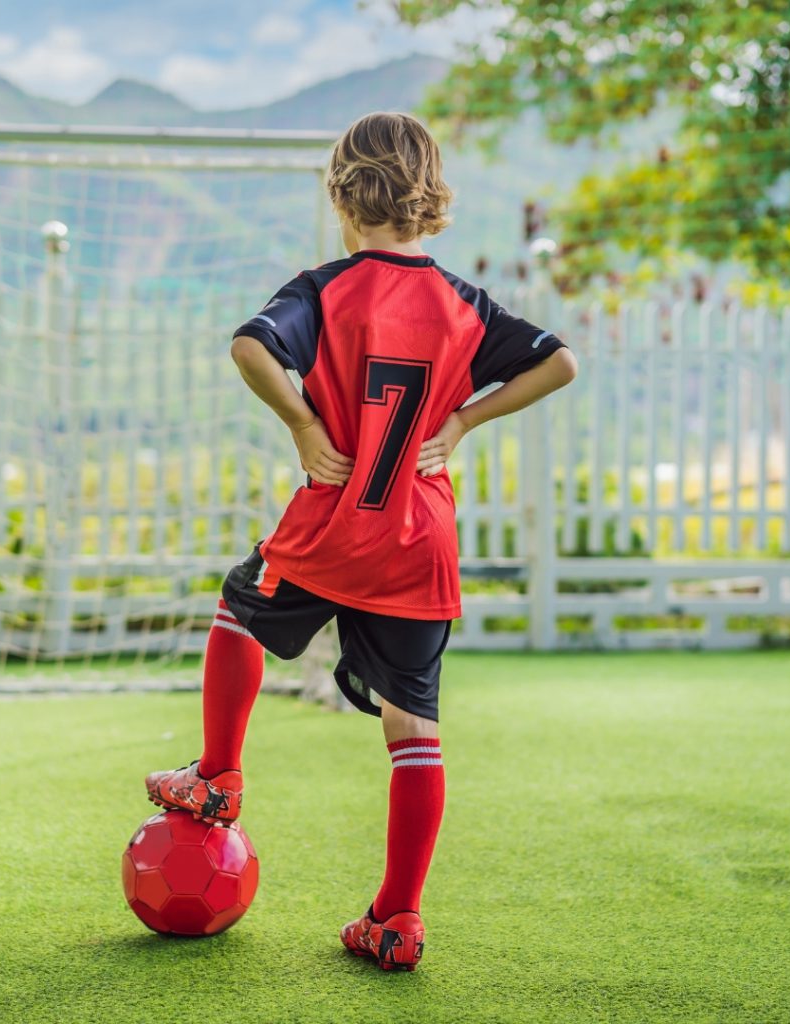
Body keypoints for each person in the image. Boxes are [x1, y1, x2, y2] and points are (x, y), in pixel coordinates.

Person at [145, 111, 578, 971]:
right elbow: (560, 361)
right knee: (414, 726)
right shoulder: (465, 303)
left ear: (342, 193)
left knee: (240, 609)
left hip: (335, 522)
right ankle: (396, 918)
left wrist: (305, 427)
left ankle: (219, 777)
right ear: (430, 197)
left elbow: (250, 348)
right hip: (420, 537)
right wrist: (462, 419)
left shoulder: (325, 287)